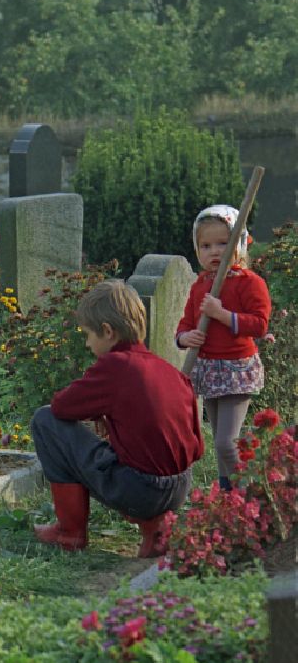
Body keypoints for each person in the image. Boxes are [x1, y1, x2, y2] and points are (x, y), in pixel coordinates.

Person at [30, 280, 204, 557]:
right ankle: (156, 532)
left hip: (140, 491)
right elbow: (196, 446)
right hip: (179, 488)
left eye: (88, 335)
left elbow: (61, 407)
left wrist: (98, 409)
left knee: (45, 420)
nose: (87, 343)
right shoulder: (169, 371)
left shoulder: (116, 365)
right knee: (140, 456)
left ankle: (69, 532)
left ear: (108, 332)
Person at [176, 204, 272, 489]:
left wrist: (223, 315)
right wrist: (184, 338)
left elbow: (259, 324)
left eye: (222, 243)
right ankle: (228, 496)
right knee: (218, 441)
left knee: (226, 442)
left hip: (236, 370)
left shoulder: (249, 283)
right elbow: (185, 322)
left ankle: (254, 494)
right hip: (209, 369)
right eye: (205, 245)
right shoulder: (199, 285)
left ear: (239, 245)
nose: (214, 251)